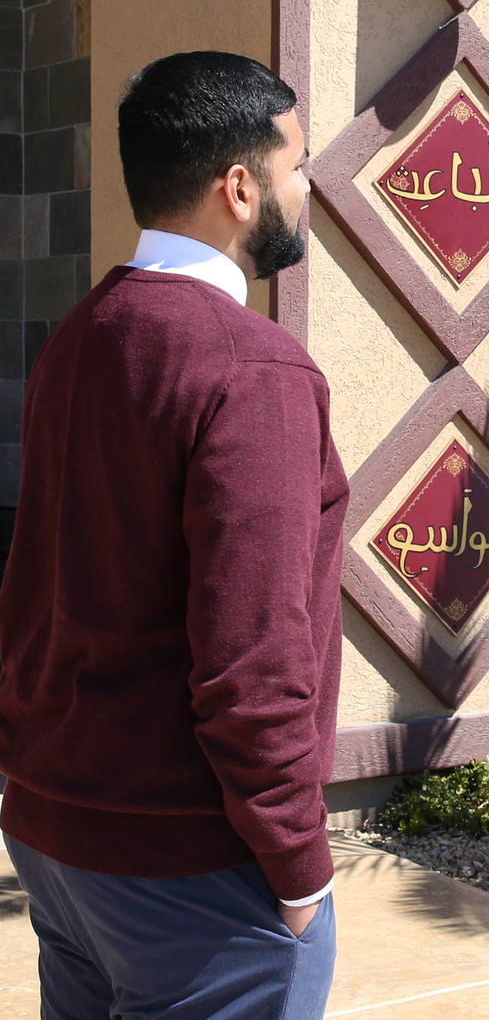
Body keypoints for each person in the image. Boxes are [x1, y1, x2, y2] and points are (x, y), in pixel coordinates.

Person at [0, 51, 348, 1019]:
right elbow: (253, 661)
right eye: (297, 166)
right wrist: (300, 869)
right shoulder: (255, 372)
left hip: (62, 833)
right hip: (193, 868)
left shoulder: (79, 336)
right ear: (239, 188)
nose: (307, 186)